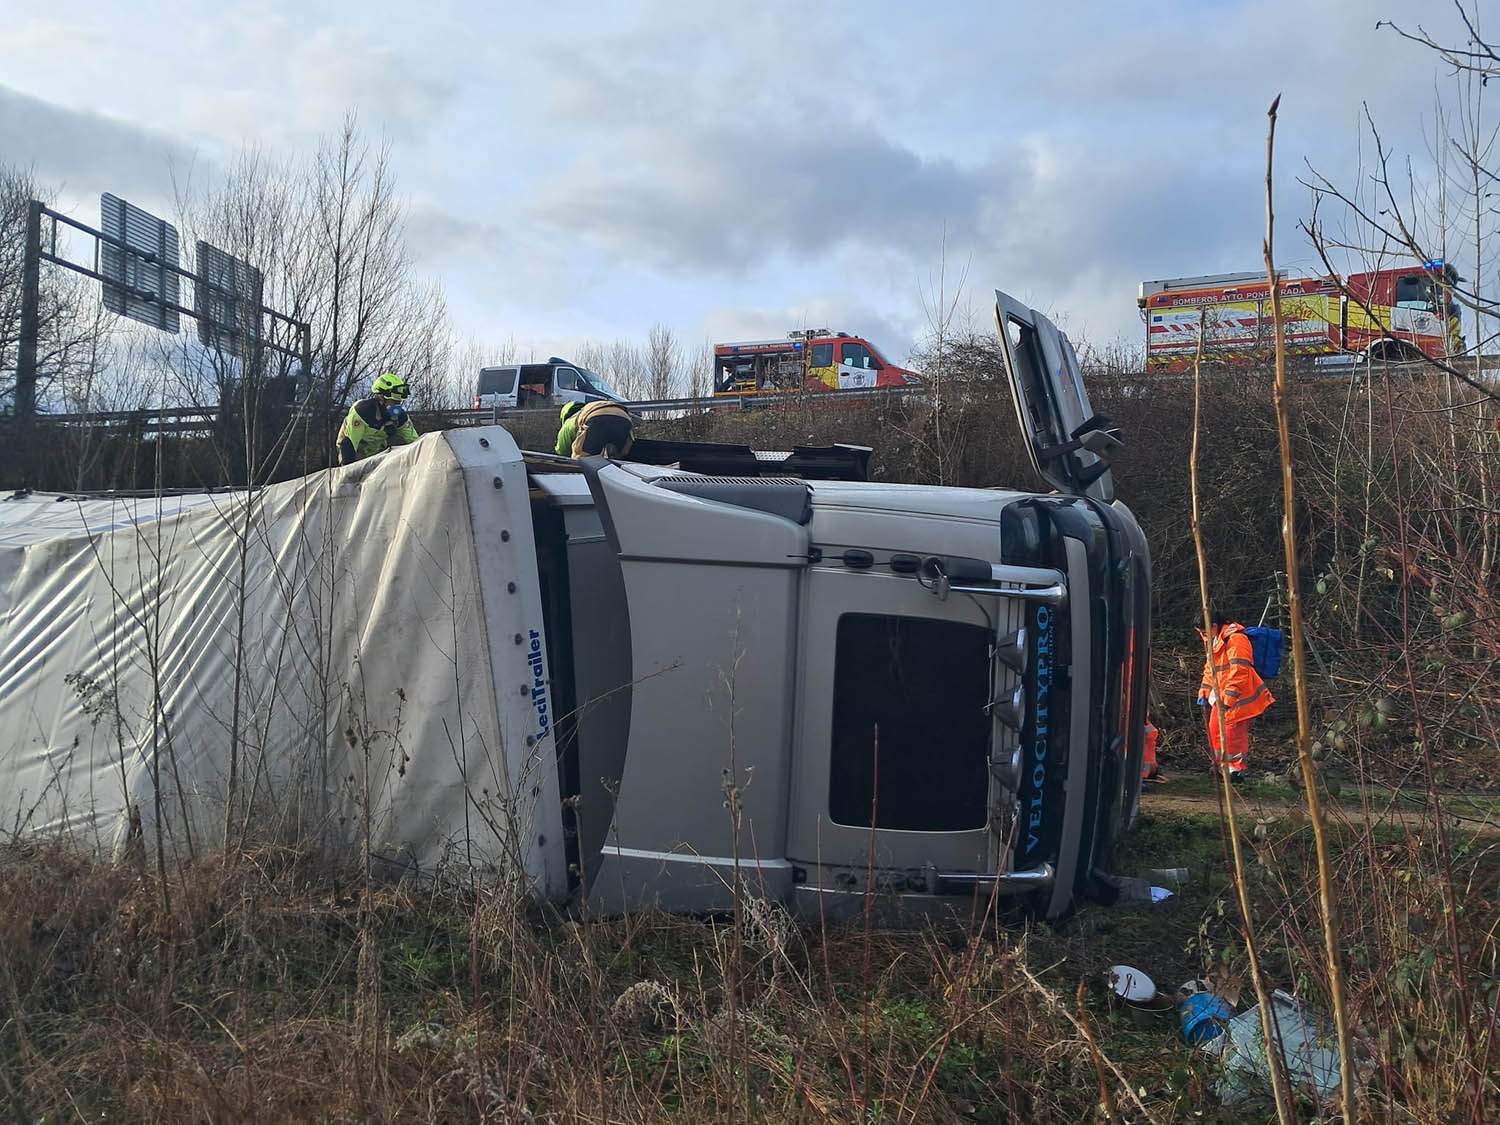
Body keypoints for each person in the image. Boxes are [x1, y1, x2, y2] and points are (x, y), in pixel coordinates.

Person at [1196, 609, 1273, 780]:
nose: (1202, 636)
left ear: (1214, 626)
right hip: (1221, 696)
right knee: (1215, 730)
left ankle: (1235, 770)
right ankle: (1219, 766)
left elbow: (1240, 671)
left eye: (1203, 631)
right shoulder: (1214, 639)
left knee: (1233, 734)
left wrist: (1229, 698)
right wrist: (1204, 690)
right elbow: (1211, 669)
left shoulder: (1236, 639)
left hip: (1238, 697)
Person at [337, 373, 418, 466]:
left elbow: (415, 441)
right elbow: (349, 445)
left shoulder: (400, 416)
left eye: (399, 402)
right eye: (393, 402)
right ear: (381, 398)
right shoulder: (362, 412)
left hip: (377, 450)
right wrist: (348, 472)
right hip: (354, 448)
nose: (396, 407)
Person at [556, 399, 635, 459]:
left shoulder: (569, 422)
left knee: (582, 460)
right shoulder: (587, 409)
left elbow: (562, 452)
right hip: (625, 418)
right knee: (619, 459)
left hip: (597, 418)